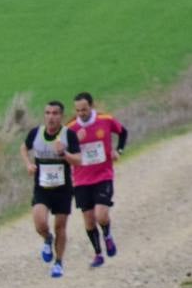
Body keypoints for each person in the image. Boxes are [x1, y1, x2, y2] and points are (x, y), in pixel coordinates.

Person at [20, 100, 81, 278]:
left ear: (61, 116)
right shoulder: (36, 133)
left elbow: (78, 160)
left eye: (55, 113)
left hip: (63, 189)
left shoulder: (68, 135)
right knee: (40, 223)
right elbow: (24, 148)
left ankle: (58, 262)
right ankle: (47, 238)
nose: (51, 117)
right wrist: (28, 164)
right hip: (42, 187)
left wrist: (64, 154)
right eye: (48, 113)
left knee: (60, 226)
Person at [68, 91, 129, 268]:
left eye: (84, 109)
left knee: (101, 214)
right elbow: (62, 151)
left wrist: (119, 151)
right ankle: (98, 254)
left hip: (103, 176)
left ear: (91, 106)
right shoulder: (71, 128)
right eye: (78, 110)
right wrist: (73, 142)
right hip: (81, 180)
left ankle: (107, 235)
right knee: (88, 220)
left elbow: (123, 132)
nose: (81, 113)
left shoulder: (106, 120)